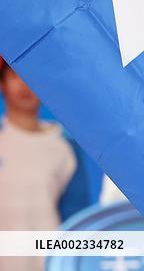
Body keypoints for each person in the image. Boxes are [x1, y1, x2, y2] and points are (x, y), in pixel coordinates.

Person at [0, 58, 80, 271]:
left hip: (50, 264)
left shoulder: (65, 145)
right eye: (16, 75)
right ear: (3, 84)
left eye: (32, 76)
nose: (24, 85)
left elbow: (77, 219)